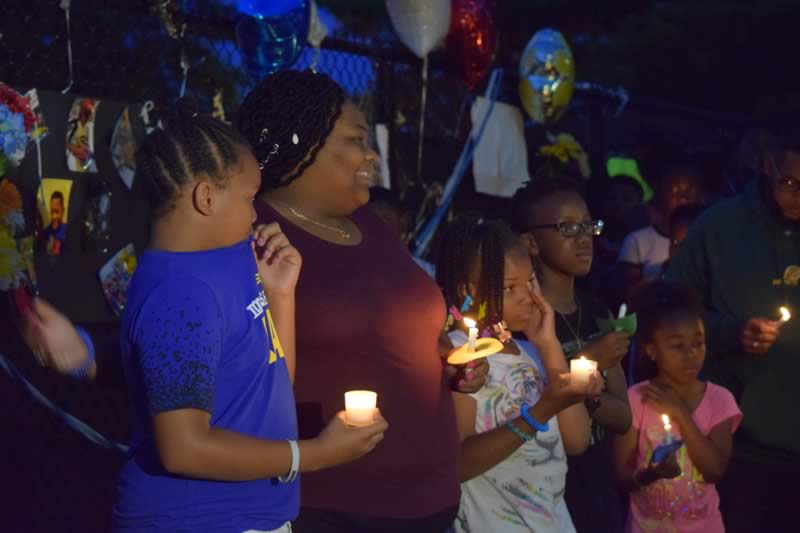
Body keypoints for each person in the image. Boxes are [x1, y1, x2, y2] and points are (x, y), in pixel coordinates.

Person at [23, 70, 486, 532]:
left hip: (306, 507)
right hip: (250, 512)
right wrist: (313, 454)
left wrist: (447, 358)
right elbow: (177, 400)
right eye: (355, 140)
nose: (370, 156)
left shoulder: (339, 235)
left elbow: (267, 369)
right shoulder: (210, 262)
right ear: (305, 145)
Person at [110, 108, 387, 531]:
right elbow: (183, 448)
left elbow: (270, 382)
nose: (257, 213)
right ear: (205, 198)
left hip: (252, 516)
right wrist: (315, 454)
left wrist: (280, 293)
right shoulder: (180, 294)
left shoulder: (230, 260)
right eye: (247, 198)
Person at [664, 131, 800, 532]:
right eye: (790, 182)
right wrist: (728, 332)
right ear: (768, 165)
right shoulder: (720, 226)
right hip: (736, 444)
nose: (798, 196)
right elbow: (670, 309)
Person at [437, 217, 602, 532]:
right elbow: (457, 463)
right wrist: (541, 410)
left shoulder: (534, 352)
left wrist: (549, 343)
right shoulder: (460, 358)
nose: (527, 296)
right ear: (466, 290)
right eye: (510, 287)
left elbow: (578, 440)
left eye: (530, 281)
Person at [511, 176, 632, 533]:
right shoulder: (524, 323)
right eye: (567, 227)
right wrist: (589, 360)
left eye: (587, 225)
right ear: (530, 241)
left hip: (599, 486)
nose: (583, 238)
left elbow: (624, 417)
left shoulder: (598, 312)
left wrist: (588, 396)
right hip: (543, 494)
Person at [614, 280, 742, 533]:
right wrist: (651, 473)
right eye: (677, 346)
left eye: (698, 343)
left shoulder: (720, 400)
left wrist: (681, 413)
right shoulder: (636, 399)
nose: (692, 354)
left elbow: (714, 470)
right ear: (651, 350)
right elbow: (621, 475)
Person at [619, 162, 704, 299]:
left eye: (690, 190)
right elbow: (629, 294)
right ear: (658, 193)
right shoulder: (637, 240)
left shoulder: (710, 237)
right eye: (675, 190)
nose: (683, 197)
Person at [38, 191, 67, 256]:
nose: (54, 216)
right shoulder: (46, 233)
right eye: (52, 212)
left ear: (63, 211)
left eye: (57, 212)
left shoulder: (68, 231)